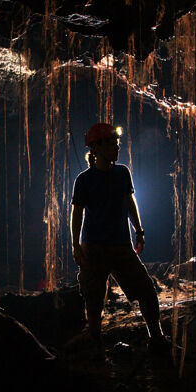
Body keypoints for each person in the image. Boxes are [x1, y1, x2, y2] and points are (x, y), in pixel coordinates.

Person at [70, 123, 170, 352]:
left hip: (121, 245)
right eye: (111, 143)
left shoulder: (122, 173)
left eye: (116, 143)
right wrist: (76, 245)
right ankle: (95, 342)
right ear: (96, 148)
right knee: (94, 297)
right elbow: (76, 213)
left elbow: (129, 202)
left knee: (145, 290)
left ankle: (157, 338)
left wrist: (139, 229)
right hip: (94, 247)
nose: (116, 147)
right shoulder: (84, 180)